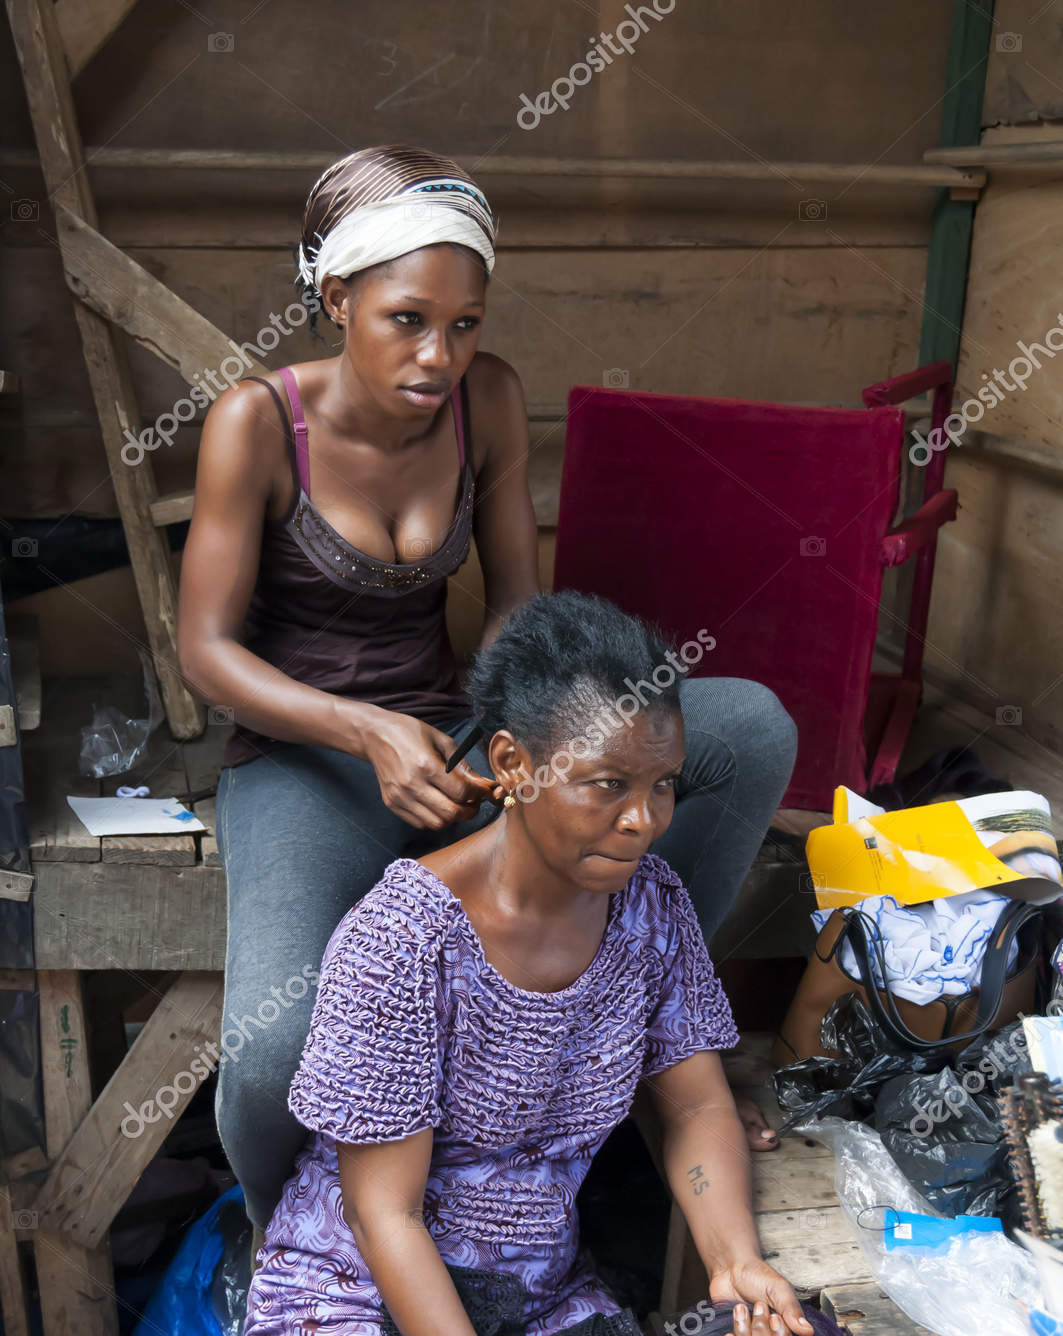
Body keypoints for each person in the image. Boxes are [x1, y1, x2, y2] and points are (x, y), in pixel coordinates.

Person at [177, 143, 797, 1233]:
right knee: (277, 1046)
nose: (440, 354)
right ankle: (295, 1255)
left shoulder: (488, 402)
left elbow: (517, 604)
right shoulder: (257, 423)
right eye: (407, 320)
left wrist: (506, 746)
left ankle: (642, 1018)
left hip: (460, 737)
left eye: (464, 324)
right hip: (307, 759)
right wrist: (366, 732)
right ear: (336, 298)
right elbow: (207, 652)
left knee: (749, 727)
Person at [244, 591, 812, 1336]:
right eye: (605, 784)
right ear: (511, 766)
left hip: (542, 1296)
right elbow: (387, 1212)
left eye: (661, 786)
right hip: (362, 1299)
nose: (642, 820)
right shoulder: (404, 940)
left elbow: (688, 1104)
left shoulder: (651, 907)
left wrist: (735, 1262)